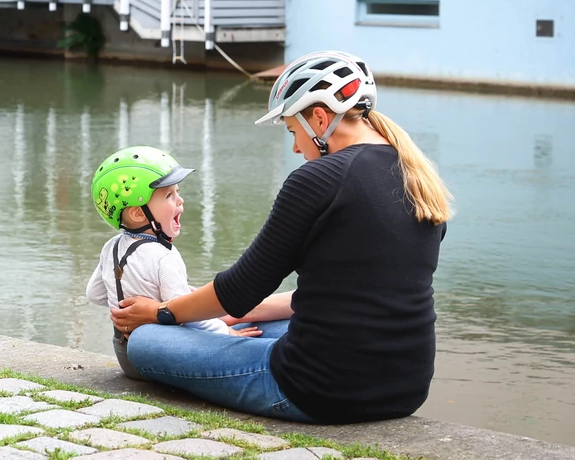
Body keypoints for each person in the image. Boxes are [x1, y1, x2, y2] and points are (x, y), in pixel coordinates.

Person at [111, 51, 453, 424]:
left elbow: (240, 289)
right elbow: (344, 294)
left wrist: (163, 313)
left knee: (146, 342)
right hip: (405, 388)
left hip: (318, 391)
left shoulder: (318, 179)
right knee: (251, 324)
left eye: (293, 131)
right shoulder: (418, 176)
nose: (295, 148)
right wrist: (226, 317)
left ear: (319, 119)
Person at [86, 145, 261, 379]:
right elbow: (187, 313)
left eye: (177, 192)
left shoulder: (111, 247)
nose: (180, 201)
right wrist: (228, 333)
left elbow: (94, 295)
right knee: (241, 338)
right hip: (160, 354)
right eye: (169, 195)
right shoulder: (164, 256)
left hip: (124, 354)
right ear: (139, 213)